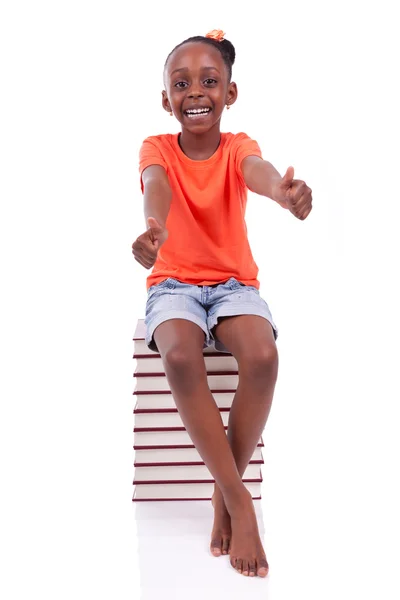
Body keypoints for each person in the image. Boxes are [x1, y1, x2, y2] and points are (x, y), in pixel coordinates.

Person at [132, 29, 312, 578]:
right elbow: (156, 185)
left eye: (209, 81)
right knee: (181, 357)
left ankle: (220, 490)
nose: (196, 93)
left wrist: (282, 194)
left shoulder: (237, 146)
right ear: (167, 100)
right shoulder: (156, 147)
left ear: (230, 93)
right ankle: (239, 502)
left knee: (262, 358)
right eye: (181, 84)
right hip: (174, 286)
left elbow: (255, 172)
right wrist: (154, 227)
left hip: (234, 286)